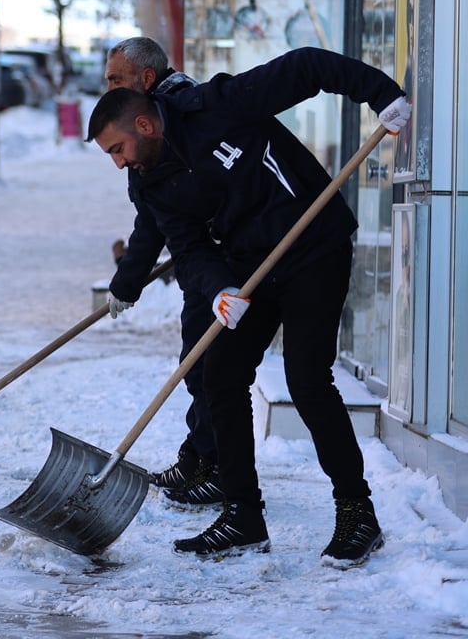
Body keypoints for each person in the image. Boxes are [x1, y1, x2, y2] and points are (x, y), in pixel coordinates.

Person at [85, 48, 410, 567]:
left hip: (313, 248)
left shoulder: (218, 105)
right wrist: (216, 290)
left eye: (118, 148)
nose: (119, 161)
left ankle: (357, 512)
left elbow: (306, 67)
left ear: (144, 123)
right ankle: (243, 516)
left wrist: (382, 94)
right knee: (221, 377)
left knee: (307, 379)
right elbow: (187, 249)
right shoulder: (149, 181)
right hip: (249, 271)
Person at [101, 37, 220, 507]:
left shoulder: (182, 113)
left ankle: (217, 467)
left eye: (116, 79)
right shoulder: (143, 122)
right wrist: (126, 282)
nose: (107, 87)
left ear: (146, 79)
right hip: (200, 260)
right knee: (196, 364)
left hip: (226, 261)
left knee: (214, 369)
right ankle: (199, 456)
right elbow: (149, 218)